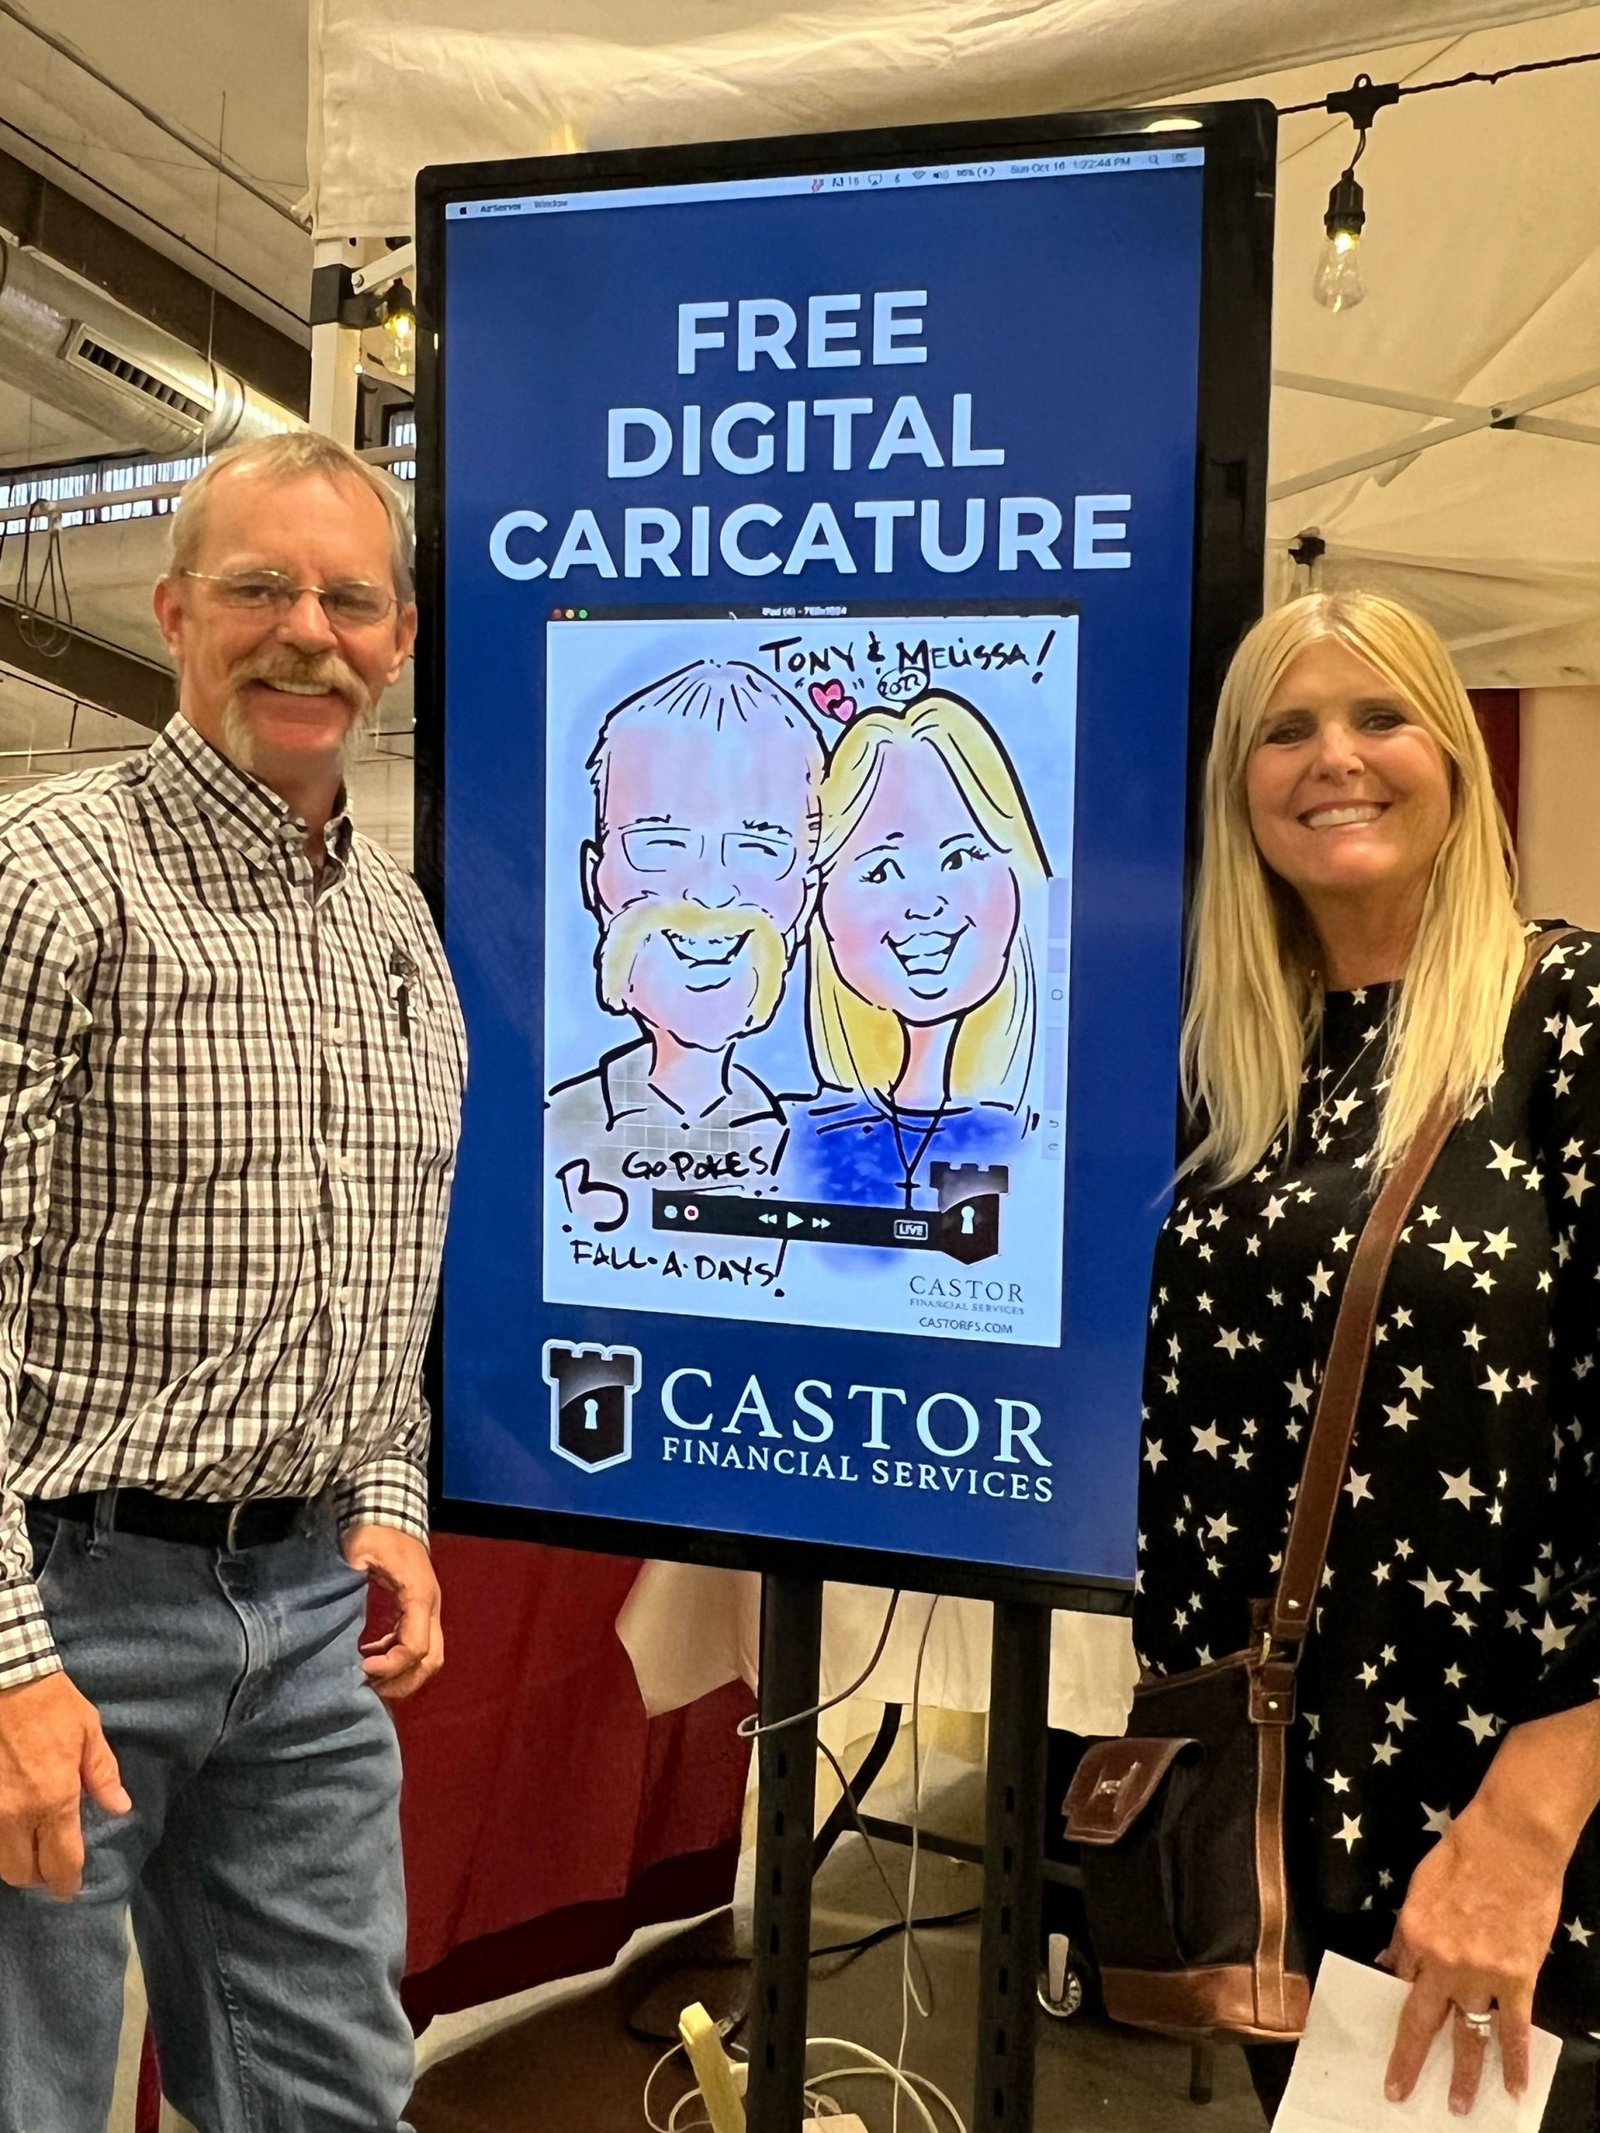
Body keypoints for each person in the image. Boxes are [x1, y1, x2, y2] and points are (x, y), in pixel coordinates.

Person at [0, 431, 466, 2132]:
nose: (308, 633)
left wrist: (390, 1494)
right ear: (176, 609)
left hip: (308, 1619)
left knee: (331, 2095)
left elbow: (390, 1255)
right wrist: (5, 1661)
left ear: (397, 638)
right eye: (262, 587)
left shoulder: (397, 930)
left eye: (350, 599)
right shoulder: (49, 883)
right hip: (66, 1600)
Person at [1133, 592, 1599, 2127]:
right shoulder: (1220, 1064)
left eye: (1380, 715)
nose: (1335, 757)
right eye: (1287, 729)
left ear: (1455, 756)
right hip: (1285, 1823)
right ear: (1239, 787)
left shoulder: (1569, 1018)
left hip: (1522, 1829)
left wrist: (1527, 1828)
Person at [545, 658, 822, 1191]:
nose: (711, 891)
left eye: (758, 849)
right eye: (662, 844)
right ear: (595, 882)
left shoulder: (800, 1145)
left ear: (804, 900)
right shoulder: (558, 1127)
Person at [785, 689, 1048, 1208]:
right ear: (821, 899)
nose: (926, 905)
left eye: (960, 858)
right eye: (883, 870)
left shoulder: (1034, 1140)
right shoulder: (793, 1139)